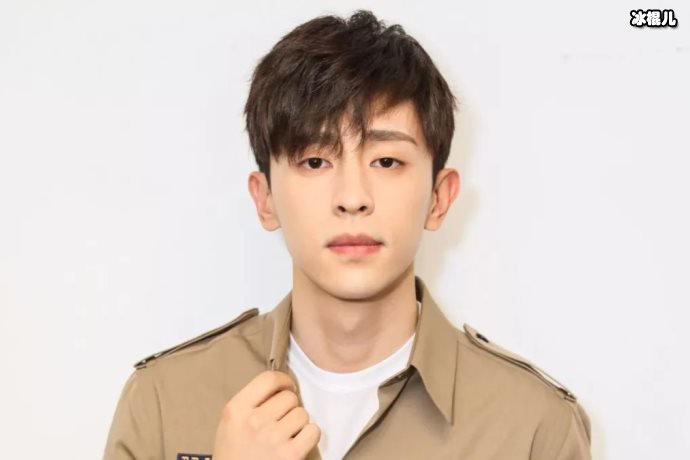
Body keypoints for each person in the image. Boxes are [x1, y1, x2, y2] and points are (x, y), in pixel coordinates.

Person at [103, 10, 592, 460]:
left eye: (387, 161)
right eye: (316, 161)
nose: (353, 198)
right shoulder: (163, 402)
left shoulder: (533, 426)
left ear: (439, 198)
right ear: (265, 198)